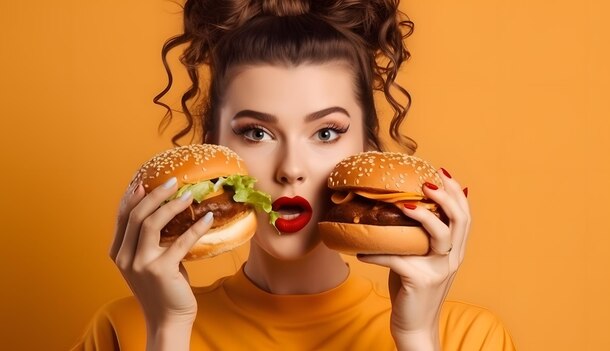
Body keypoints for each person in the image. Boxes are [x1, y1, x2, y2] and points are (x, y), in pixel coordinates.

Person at [72, 0, 515, 350]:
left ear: (367, 146)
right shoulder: (124, 330)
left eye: (326, 132)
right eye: (257, 132)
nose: (291, 170)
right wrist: (168, 330)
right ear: (215, 147)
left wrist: (417, 338)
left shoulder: (467, 337)